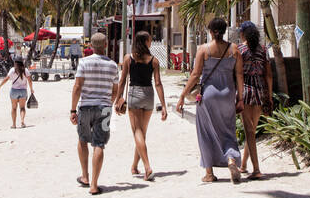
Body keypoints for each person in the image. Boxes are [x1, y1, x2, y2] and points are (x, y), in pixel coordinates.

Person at [175, 16, 244, 184]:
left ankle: (209, 173)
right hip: (228, 94)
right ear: (224, 30)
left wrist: (183, 95)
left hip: (208, 96)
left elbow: (195, 75)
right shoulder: (234, 49)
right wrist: (240, 98)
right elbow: (240, 75)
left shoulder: (203, 50)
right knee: (228, 130)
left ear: (211, 32)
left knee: (205, 132)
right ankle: (231, 160)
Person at [114, 30, 167, 180]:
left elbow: (122, 80)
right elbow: (158, 83)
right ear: (145, 42)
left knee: (137, 132)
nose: (150, 42)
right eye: (149, 40)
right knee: (142, 133)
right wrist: (163, 105)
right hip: (149, 95)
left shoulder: (128, 59)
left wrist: (117, 99)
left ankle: (147, 167)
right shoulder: (154, 60)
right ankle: (134, 166)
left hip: (134, 94)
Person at [71, 32, 118, 195]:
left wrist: (72, 109)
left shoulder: (83, 62)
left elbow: (77, 87)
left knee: (83, 139)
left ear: (91, 45)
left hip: (85, 107)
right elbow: (115, 90)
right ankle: (94, 185)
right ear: (106, 45)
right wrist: (109, 104)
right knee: (99, 144)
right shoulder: (113, 65)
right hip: (104, 107)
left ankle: (85, 176)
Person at [237, 21, 274, 180]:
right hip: (260, 90)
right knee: (251, 129)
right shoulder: (263, 50)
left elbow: (237, 73)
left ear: (243, 34)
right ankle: (244, 165)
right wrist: (269, 96)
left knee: (249, 130)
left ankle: (256, 169)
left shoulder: (239, 50)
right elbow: (269, 75)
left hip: (245, 89)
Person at [0, 56, 32, 128]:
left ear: (15, 63)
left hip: (14, 91)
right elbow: (30, 81)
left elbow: (6, 79)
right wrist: (31, 89)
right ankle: (22, 122)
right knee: (22, 108)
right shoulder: (25, 70)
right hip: (23, 91)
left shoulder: (12, 70)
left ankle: (14, 124)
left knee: (14, 108)